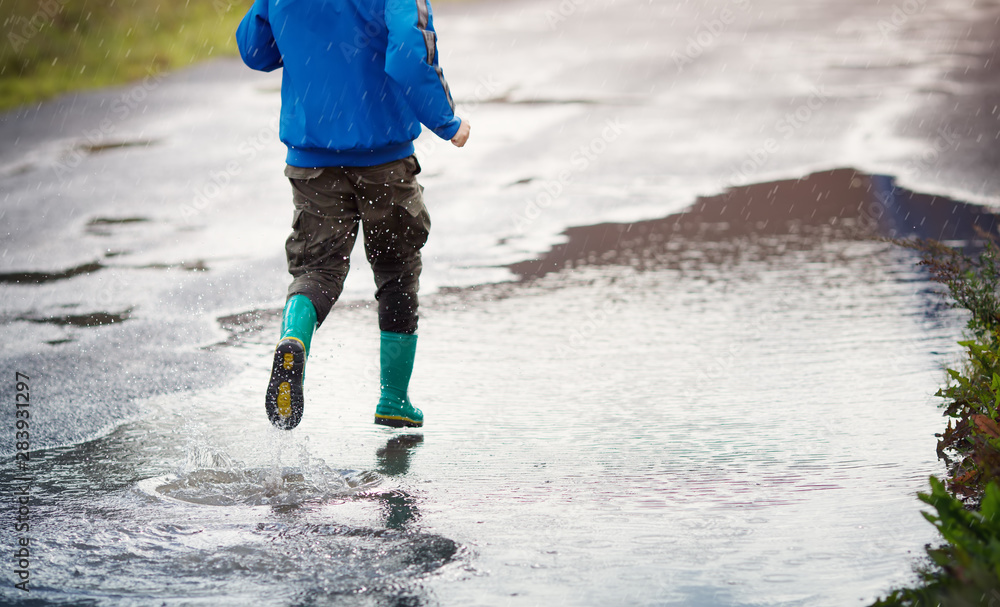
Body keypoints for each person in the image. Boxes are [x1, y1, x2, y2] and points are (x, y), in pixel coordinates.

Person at [235, 0, 470, 430]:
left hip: (312, 158)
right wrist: (447, 122)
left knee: (316, 268)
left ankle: (293, 340)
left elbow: (256, 50)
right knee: (397, 270)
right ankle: (393, 398)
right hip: (384, 157)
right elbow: (409, 53)